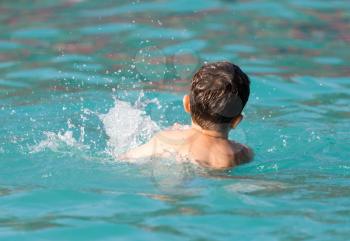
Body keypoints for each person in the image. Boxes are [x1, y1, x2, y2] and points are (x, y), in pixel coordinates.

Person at [120, 61, 253, 169]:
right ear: (237, 120)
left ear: (187, 104)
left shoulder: (166, 140)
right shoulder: (242, 153)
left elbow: (125, 158)